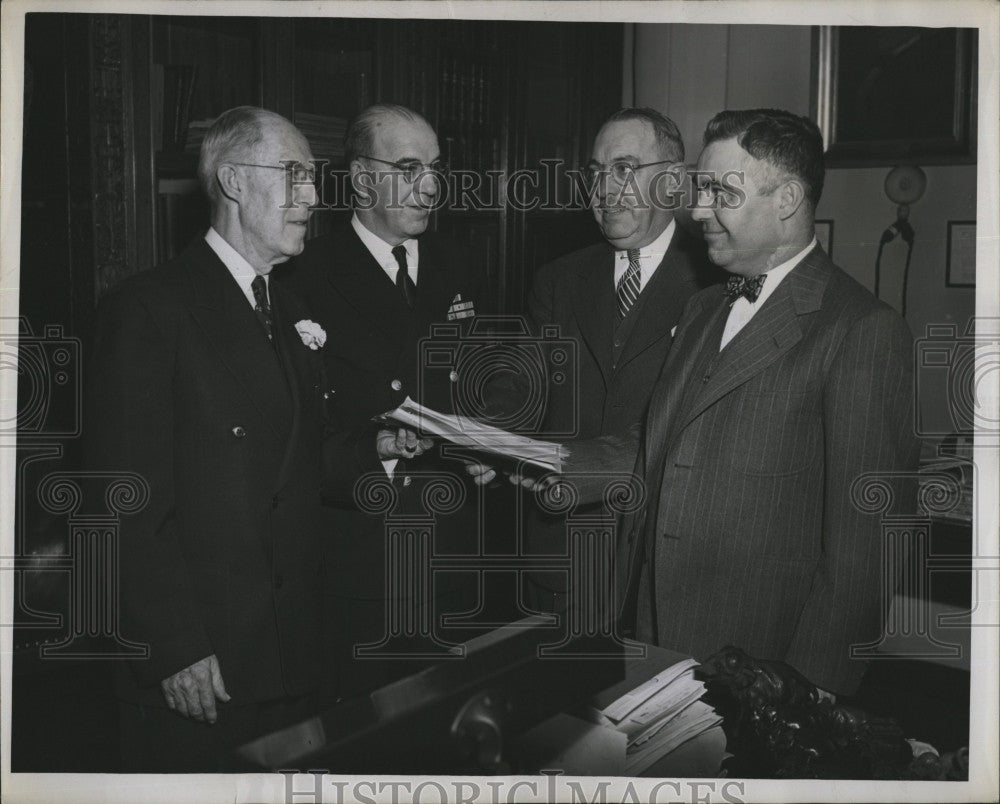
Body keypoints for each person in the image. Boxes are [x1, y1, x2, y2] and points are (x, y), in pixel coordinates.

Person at [87, 106, 427, 772]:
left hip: (292, 653)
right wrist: (175, 647)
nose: (312, 196)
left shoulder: (287, 305)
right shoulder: (150, 310)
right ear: (236, 181)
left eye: (314, 176)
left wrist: (379, 449)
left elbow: (300, 459)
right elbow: (118, 500)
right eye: (295, 174)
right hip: (203, 668)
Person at [609, 108, 919, 696]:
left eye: (721, 192)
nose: (698, 210)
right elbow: (663, 447)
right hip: (653, 648)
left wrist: (808, 701)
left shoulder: (862, 331)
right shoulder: (703, 309)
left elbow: (865, 557)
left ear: (787, 199)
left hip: (762, 674)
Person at [282, 103, 486, 698]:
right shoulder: (305, 274)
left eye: (436, 167)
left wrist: (490, 439)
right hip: (358, 555)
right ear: (363, 179)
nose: (431, 186)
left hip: (452, 548)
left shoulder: (459, 260)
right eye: (408, 167)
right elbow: (293, 434)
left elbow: (480, 374)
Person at [512, 108, 720, 613]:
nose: (604, 189)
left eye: (624, 169)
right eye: (595, 173)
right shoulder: (558, 279)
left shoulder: (719, 282)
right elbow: (521, 384)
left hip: (664, 561)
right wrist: (484, 434)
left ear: (671, 180)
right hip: (562, 550)